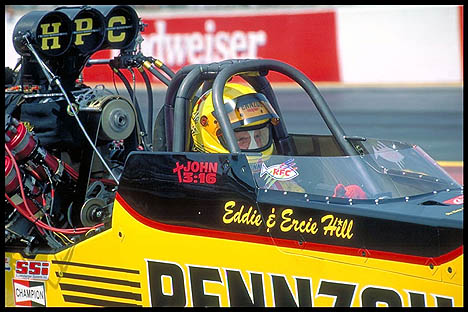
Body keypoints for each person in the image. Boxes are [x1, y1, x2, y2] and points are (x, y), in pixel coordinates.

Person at [190, 82, 366, 198]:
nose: (255, 145)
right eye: (242, 139)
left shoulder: (276, 176)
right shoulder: (202, 186)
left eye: (259, 136)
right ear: (212, 137)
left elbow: (301, 207)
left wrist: (338, 200)